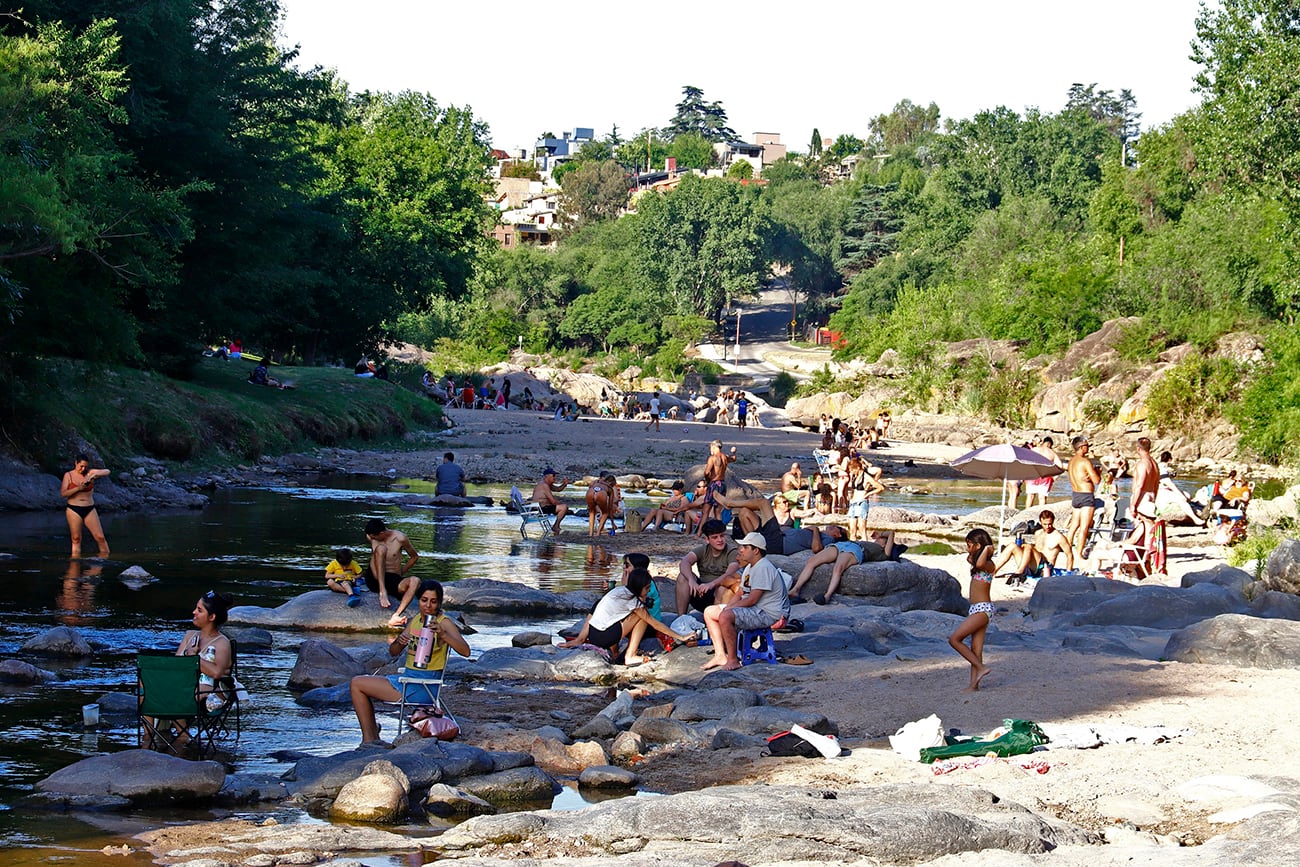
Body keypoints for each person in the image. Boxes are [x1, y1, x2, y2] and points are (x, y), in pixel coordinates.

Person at [349, 579, 470, 745]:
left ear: (439, 603)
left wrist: (443, 635)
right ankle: (372, 733)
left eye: (433, 601)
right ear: (418, 600)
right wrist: (400, 641)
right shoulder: (415, 621)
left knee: (357, 683)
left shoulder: (444, 623)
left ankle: (370, 738)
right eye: (424, 600)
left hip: (422, 686)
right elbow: (393, 652)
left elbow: (466, 651)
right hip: (408, 678)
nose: (428, 605)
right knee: (360, 682)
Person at [144, 590, 235, 749]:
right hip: (184, 686)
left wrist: (195, 659)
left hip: (212, 692)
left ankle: (183, 736)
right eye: (196, 608)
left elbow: (216, 673)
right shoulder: (189, 636)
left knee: (176, 691)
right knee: (146, 684)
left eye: (199, 610)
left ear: (211, 617)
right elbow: (176, 666)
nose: (194, 612)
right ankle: (148, 735)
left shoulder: (222, 643)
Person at [560, 568, 694, 665]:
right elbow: (654, 623)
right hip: (604, 636)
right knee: (642, 617)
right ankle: (630, 655)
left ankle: (610, 650)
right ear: (639, 587)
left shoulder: (619, 591)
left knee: (628, 615)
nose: (648, 592)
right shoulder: (633, 601)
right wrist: (680, 636)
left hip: (594, 633)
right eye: (647, 589)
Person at [700, 532, 791, 672]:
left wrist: (728, 611)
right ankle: (720, 655)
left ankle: (733, 659)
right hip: (755, 608)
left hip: (766, 613)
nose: (740, 550)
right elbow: (741, 593)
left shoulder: (764, 567)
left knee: (726, 616)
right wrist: (728, 607)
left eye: (745, 547)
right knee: (709, 612)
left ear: (756, 550)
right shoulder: (750, 567)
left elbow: (752, 599)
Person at [787, 522, 887, 605]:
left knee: (838, 568)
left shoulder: (881, 551)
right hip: (841, 545)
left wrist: (882, 534)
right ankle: (795, 590)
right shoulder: (842, 540)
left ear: (884, 544)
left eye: (882, 539)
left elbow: (891, 534)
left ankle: (827, 596)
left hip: (855, 549)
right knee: (812, 561)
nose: (878, 538)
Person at [950, 529, 995, 691]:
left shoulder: (989, 565)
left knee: (954, 639)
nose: (967, 548)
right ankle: (973, 686)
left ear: (978, 545)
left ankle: (981, 668)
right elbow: (972, 559)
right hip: (975, 609)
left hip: (983, 609)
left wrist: (987, 549)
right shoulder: (975, 562)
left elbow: (981, 563)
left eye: (970, 545)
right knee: (976, 649)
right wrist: (979, 550)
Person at [675, 518, 741, 616]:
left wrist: (711, 584)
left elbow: (729, 574)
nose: (720, 540)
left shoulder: (732, 552)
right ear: (707, 539)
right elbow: (685, 562)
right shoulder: (703, 550)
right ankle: (681, 618)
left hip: (718, 594)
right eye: (715, 537)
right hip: (701, 591)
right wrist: (691, 581)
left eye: (722, 536)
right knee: (682, 577)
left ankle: (716, 621)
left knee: (723, 589)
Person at [364, 518, 420, 627]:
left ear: (381, 533)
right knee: (381, 549)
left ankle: (396, 616)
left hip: (392, 578)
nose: (371, 538)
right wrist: (382, 590)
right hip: (374, 577)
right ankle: (382, 591)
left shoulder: (400, 538)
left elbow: (414, 557)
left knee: (415, 581)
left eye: (374, 537)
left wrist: (401, 572)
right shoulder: (371, 536)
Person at [991, 510, 1074, 577]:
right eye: (1045, 524)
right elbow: (1037, 549)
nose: (1047, 526)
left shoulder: (1059, 537)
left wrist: (1069, 573)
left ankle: (1019, 571)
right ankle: (993, 571)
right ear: (1040, 522)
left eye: (1050, 524)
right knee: (1012, 546)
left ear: (1053, 522)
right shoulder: (1038, 533)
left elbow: (1069, 555)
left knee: (1028, 546)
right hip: (1031, 565)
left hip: (1044, 568)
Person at [61, 454, 111, 558]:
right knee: (76, 538)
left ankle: (105, 559)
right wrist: (78, 488)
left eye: (85, 466)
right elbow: (63, 493)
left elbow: (107, 471)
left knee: (100, 537)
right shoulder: (68, 475)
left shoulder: (89, 473)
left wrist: (92, 476)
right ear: (76, 463)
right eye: (81, 466)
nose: (83, 469)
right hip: (74, 509)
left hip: (89, 508)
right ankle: (75, 564)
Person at [712, 492, 785, 555]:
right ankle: (753, 544)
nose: (787, 504)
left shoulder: (793, 513)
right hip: (772, 538)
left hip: (776, 543)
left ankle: (730, 503)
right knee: (744, 512)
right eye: (784, 502)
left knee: (764, 503)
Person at [1065, 436, 1101, 561]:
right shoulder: (1085, 462)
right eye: (1087, 446)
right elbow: (1097, 480)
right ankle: (1079, 554)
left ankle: (1067, 548)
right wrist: (1097, 473)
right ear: (1081, 447)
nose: (1089, 448)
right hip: (1086, 495)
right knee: (1084, 527)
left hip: (1075, 494)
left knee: (1074, 524)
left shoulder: (1071, 462)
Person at [695, 440, 737, 534]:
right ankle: (721, 532)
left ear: (714, 447)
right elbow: (733, 458)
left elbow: (707, 471)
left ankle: (699, 533)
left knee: (706, 510)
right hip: (722, 484)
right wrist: (734, 452)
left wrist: (707, 479)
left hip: (714, 484)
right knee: (718, 511)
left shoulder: (713, 458)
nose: (711, 450)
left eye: (711, 448)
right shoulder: (724, 457)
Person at [844, 456, 886, 541]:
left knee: (862, 528)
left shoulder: (866, 477)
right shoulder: (854, 476)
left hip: (861, 503)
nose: (851, 472)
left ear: (858, 468)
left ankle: (865, 546)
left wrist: (869, 493)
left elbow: (880, 487)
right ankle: (852, 547)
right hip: (853, 503)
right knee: (852, 529)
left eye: (852, 469)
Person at [1130, 437, 1160, 540]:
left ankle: (1148, 552)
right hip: (1151, 494)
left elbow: (1139, 485)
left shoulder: (1142, 464)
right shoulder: (1154, 464)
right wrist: (1154, 498)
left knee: (1147, 526)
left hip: (1143, 496)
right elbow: (1156, 484)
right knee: (1147, 525)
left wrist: (1133, 505)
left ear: (1138, 449)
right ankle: (1147, 552)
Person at [1025, 437, 1063, 507]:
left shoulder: (1034, 449)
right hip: (1045, 476)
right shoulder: (1052, 453)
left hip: (1032, 474)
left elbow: (1025, 461)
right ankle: (1041, 514)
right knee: (1042, 498)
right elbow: (1060, 466)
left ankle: (1026, 514)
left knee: (1030, 496)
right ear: (1049, 444)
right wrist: (1054, 478)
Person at [531, 468, 572, 532]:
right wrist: (562, 505)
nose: (555, 477)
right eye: (553, 475)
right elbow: (553, 501)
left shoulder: (546, 484)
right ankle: (556, 526)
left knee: (562, 506)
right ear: (547, 476)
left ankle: (556, 526)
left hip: (541, 507)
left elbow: (558, 489)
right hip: (541, 508)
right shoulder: (544, 485)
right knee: (564, 507)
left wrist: (564, 484)